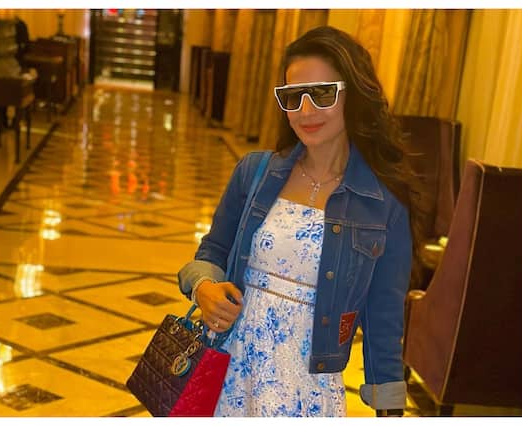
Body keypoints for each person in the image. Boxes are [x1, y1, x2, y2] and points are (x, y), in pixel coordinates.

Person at [178, 25, 417, 417]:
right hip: (228, 373)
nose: (305, 111)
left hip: (308, 391)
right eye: (293, 96)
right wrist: (202, 287)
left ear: (353, 95)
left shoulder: (383, 203)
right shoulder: (254, 173)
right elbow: (212, 252)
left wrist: (388, 410)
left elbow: (384, 320)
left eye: (322, 94)